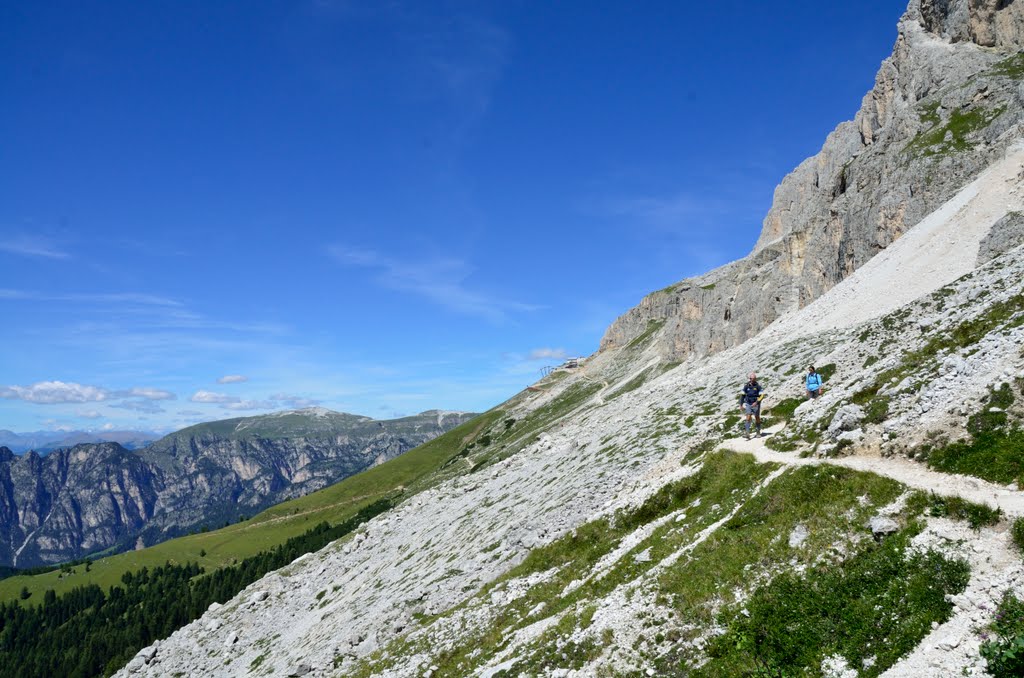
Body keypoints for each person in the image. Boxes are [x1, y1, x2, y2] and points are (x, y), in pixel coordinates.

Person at [739, 372, 764, 439]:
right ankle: (747, 433)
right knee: (748, 417)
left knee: (757, 417)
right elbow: (742, 395)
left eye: (753, 379)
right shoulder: (746, 386)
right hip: (748, 403)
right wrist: (741, 404)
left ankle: (758, 432)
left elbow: (762, 395)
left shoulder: (758, 386)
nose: (751, 380)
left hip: (756, 404)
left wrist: (757, 402)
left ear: (755, 379)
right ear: (749, 378)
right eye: (750, 378)